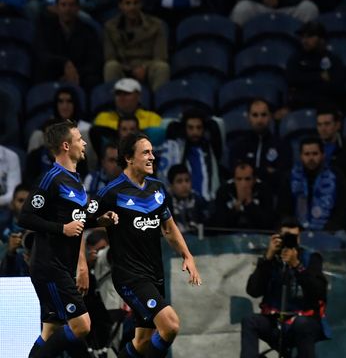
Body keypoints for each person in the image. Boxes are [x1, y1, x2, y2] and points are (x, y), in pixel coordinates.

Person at [94, 132, 201, 358]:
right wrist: (82, 266)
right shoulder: (110, 192)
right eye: (146, 152)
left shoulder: (157, 189)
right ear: (129, 158)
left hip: (154, 274)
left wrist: (187, 255)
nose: (152, 157)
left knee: (142, 342)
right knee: (170, 325)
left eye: (152, 152)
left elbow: (169, 228)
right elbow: (82, 222)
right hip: (129, 276)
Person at [18, 120, 118, 358]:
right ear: (66, 145)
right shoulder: (51, 178)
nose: (84, 143)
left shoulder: (74, 179)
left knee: (51, 331)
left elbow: (77, 218)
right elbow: (26, 217)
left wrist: (98, 221)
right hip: (49, 266)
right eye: (78, 139)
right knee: (82, 325)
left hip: (62, 264)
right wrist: (61, 228)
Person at [240, 217, 328, 358]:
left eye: (295, 237)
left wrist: (297, 266)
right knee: (249, 320)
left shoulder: (311, 258)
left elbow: (319, 293)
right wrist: (267, 258)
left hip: (304, 321)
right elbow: (253, 291)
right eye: (286, 237)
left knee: (302, 323)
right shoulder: (271, 260)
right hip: (275, 322)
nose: (291, 241)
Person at [103, 0, 170, 92]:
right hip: (124, 68)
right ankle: (112, 104)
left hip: (148, 67)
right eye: (128, 3)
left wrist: (144, 67)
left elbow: (160, 56)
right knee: (111, 66)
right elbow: (110, 56)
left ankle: (159, 104)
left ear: (141, 4)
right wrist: (130, 69)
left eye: (135, 3)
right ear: (120, 5)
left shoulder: (156, 25)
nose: (132, 7)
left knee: (162, 67)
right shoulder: (110, 27)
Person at [35, 0, 103, 91]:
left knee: (92, 80)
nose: (67, 9)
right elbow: (41, 54)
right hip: (54, 74)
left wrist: (74, 73)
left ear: (78, 8)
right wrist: (65, 63)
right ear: (56, 8)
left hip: (80, 77)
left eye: (72, 5)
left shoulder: (89, 31)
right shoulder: (45, 29)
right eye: (63, 5)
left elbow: (94, 62)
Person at [277, 137, 346, 231]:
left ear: (323, 155)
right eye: (307, 154)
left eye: (315, 154)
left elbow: (342, 208)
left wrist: (330, 228)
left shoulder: (336, 176)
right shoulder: (290, 177)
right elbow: (283, 210)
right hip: (296, 230)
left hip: (330, 230)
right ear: (301, 156)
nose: (311, 158)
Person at [157, 108, 221, 202]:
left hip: (208, 203)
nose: (195, 132)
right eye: (190, 128)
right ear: (184, 128)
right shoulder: (174, 149)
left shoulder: (208, 150)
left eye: (199, 128)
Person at [228, 98, 291, 188]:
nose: (259, 119)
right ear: (248, 117)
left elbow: (282, 176)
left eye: (264, 115)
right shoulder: (239, 146)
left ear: (270, 117)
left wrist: (252, 170)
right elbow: (236, 173)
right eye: (255, 115)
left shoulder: (282, 145)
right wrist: (267, 171)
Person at [316, 108, 346, 200]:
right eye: (319, 125)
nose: (323, 129)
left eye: (327, 124)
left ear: (337, 125)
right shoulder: (311, 148)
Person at [213, 161, 275, 232]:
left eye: (247, 179)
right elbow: (219, 225)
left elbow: (267, 224)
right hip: (230, 238)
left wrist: (250, 203)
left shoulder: (264, 190)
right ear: (234, 179)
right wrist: (237, 206)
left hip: (257, 237)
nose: (243, 184)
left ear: (254, 179)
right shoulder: (224, 191)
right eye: (239, 179)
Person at [167, 164, 210, 234]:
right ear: (171, 186)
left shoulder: (199, 201)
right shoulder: (165, 204)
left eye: (187, 180)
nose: (184, 185)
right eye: (179, 181)